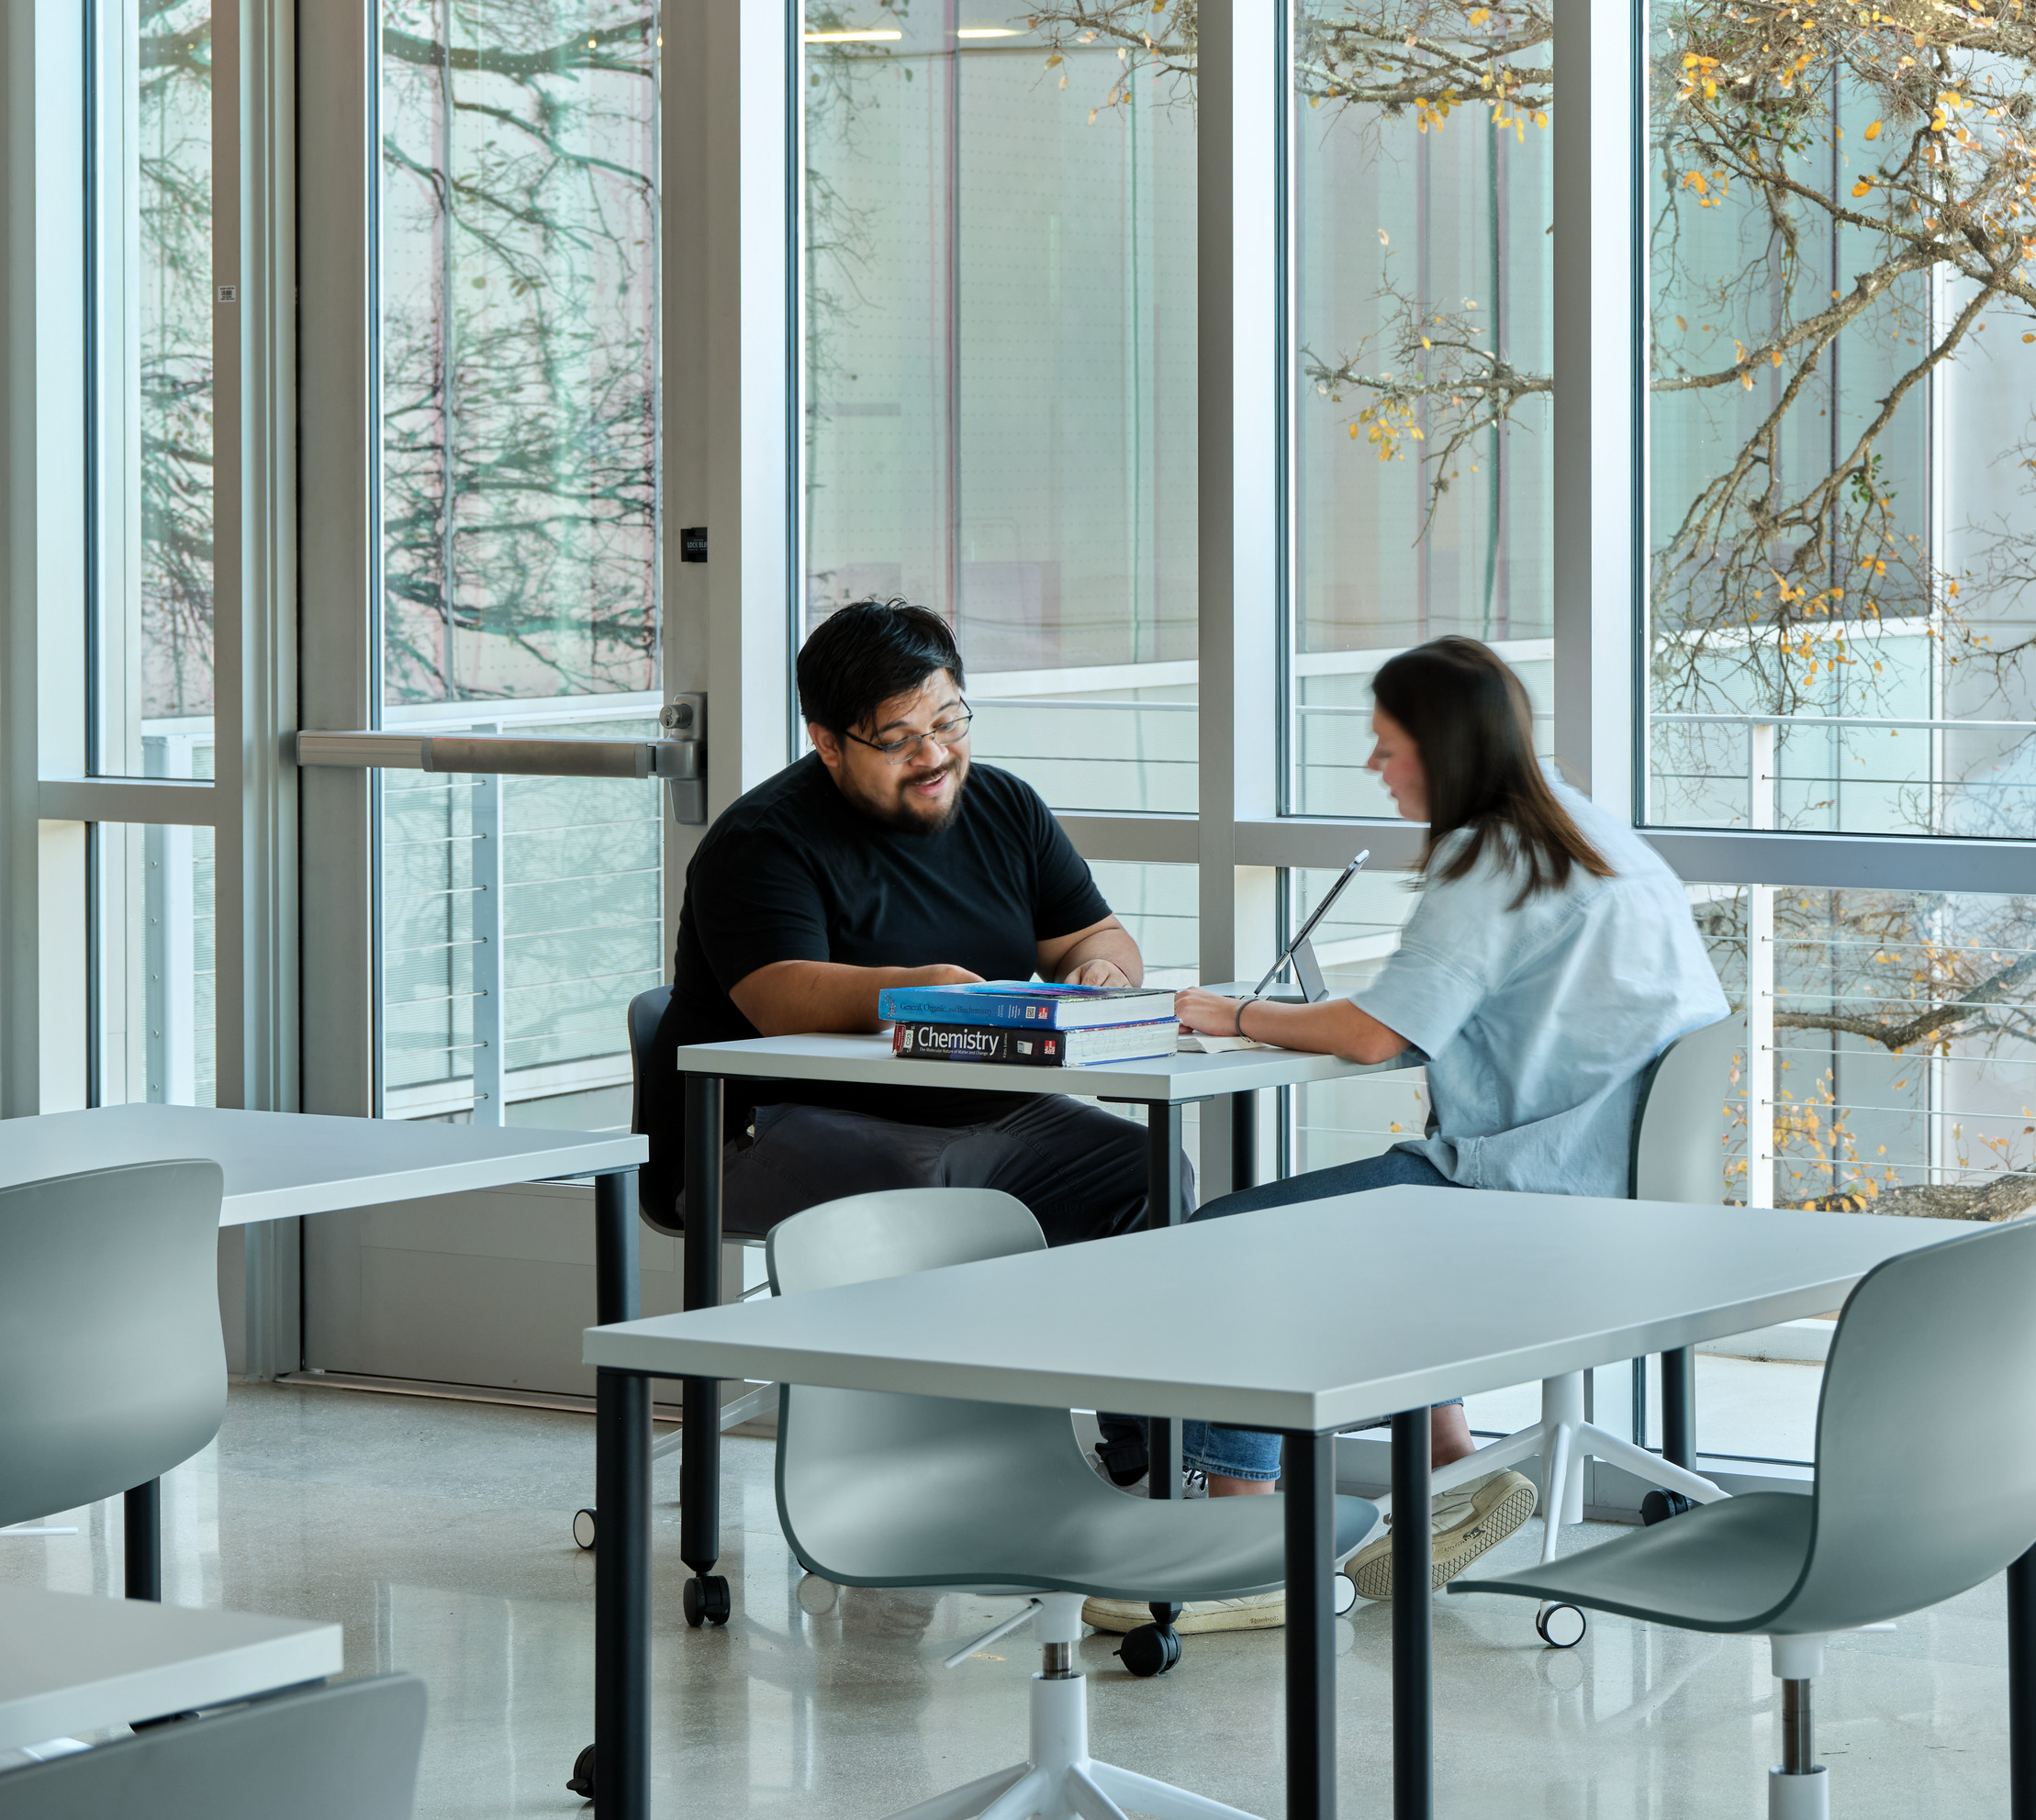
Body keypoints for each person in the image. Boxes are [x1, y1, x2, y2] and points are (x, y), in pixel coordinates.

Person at [1112, 636, 1729, 1630]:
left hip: (1523, 1201)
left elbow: (1372, 1033)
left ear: (1441, 749)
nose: (1373, 766)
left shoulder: (1492, 857)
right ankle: (1452, 1471)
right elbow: (1452, 1018)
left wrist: (1233, 1015)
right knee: (1367, 1211)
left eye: (1385, 743)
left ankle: (1241, 1552)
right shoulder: (1595, 834)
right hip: (1625, 1196)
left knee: (1228, 1241)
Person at [656, 599, 1180, 1468]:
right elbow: (781, 998)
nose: (934, 756)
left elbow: (1095, 935)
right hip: (764, 1128)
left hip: (985, 1113)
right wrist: (917, 991)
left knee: (1145, 1172)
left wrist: (1101, 973)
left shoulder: (1006, 806)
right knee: (924, 1185)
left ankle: (1154, 1454)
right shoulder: (762, 841)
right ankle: (950, 1471)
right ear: (828, 743)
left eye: (949, 721)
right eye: (899, 740)